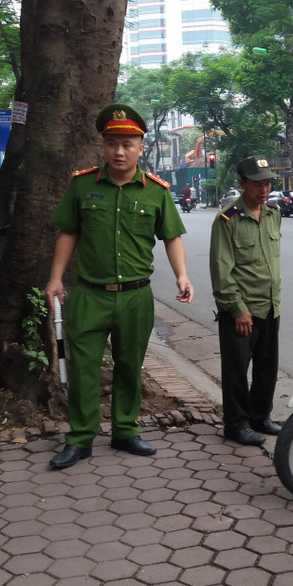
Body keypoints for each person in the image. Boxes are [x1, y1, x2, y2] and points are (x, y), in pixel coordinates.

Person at [45, 103, 194, 470]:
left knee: (130, 365)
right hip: (90, 294)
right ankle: (80, 438)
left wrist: (182, 274)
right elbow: (69, 232)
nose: (120, 151)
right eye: (113, 143)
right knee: (83, 368)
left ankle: (125, 430)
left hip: (136, 297)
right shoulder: (82, 185)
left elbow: (172, 237)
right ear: (104, 146)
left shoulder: (156, 191)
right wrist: (55, 278)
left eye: (128, 143)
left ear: (141, 146)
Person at [210, 156, 282, 446]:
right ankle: (236, 424)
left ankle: (260, 416)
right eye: (257, 184)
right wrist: (238, 310)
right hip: (242, 310)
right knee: (237, 370)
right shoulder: (227, 219)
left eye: (267, 183)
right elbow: (221, 270)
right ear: (242, 184)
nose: (263, 190)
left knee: (268, 366)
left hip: (271, 305)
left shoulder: (273, 214)